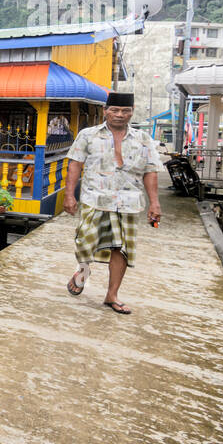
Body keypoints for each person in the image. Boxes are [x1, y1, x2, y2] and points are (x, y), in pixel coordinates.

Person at [63, 92, 162, 314]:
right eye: (115, 110)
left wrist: (154, 203)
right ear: (106, 111)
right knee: (85, 242)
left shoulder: (143, 139)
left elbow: (151, 171)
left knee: (122, 249)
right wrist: (69, 195)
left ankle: (112, 295)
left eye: (125, 111)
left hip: (128, 202)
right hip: (94, 199)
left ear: (132, 111)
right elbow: (75, 165)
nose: (120, 115)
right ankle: (83, 269)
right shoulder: (88, 135)